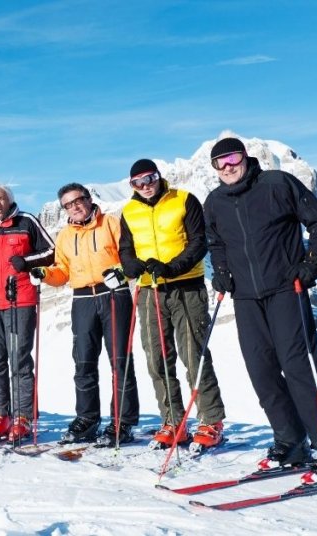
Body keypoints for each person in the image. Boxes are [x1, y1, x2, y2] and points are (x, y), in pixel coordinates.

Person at [203, 137, 317, 477]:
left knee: (299, 367)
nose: (228, 167)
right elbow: (215, 243)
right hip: (245, 297)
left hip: (287, 288)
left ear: (245, 157)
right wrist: (223, 272)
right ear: (214, 168)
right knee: (262, 370)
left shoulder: (277, 184)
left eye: (233, 158)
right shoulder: (214, 202)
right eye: (220, 162)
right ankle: (291, 441)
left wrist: (311, 264)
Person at [119, 160, 227, 451]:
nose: (145, 186)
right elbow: (125, 249)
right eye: (137, 182)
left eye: (150, 178)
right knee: (156, 356)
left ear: (159, 176)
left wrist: (170, 268)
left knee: (194, 354)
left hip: (185, 286)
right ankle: (173, 420)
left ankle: (210, 421)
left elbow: (198, 243)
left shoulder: (183, 199)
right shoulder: (128, 211)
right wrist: (133, 266)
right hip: (148, 289)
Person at [33, 184, 140, 446]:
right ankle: (88, 419)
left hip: (113, 294)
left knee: (119, 360)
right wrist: (45, 274)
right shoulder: (65, 236)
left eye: (78, 201)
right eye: (68, 204)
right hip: (82, 299)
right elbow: (62, 271)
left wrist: (121, 272)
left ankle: (122, 422)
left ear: (89, 199)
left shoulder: (111, 223)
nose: (75, 207)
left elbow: (129, 257)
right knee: (83, 363)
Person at [0, 183, 54, 442]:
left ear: (9, 199)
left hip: (20, 300)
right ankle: (0, 415)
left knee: (19, 360)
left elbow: (50, 252)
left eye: (1, 198)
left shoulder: (26, 221)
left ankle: (22, 417)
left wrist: (27, 262)